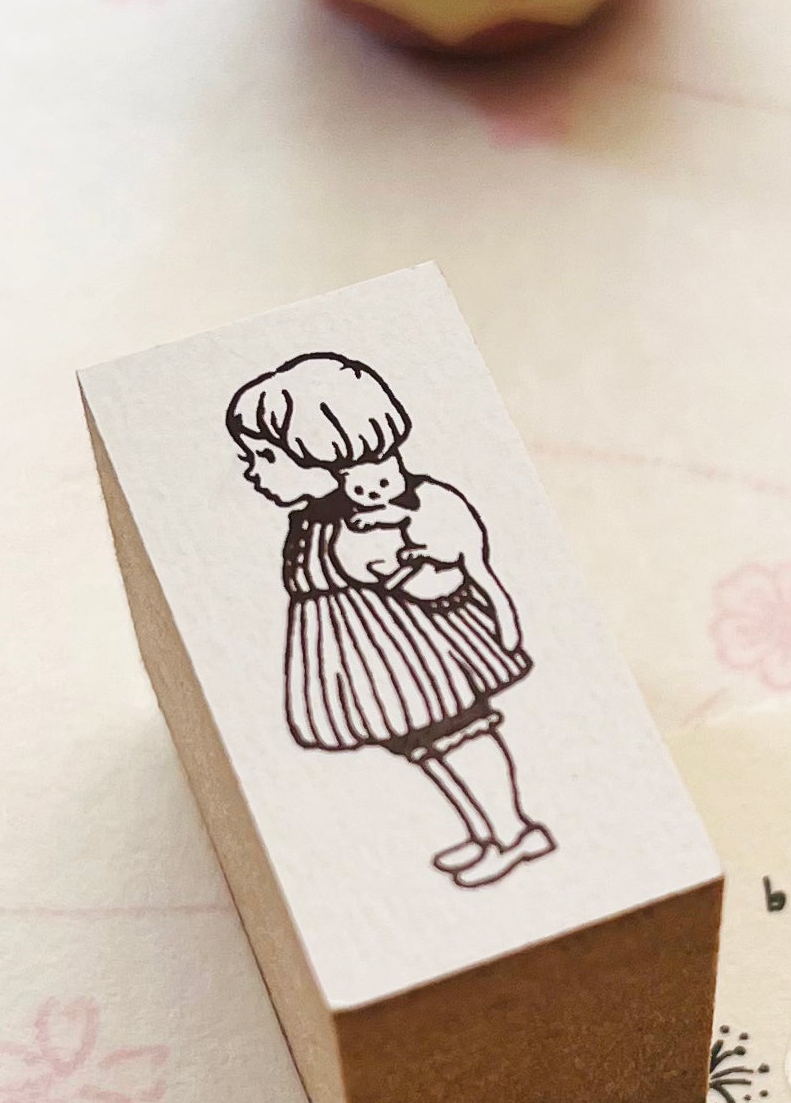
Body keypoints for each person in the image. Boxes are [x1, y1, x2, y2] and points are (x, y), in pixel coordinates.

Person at [224, 352, 553, 886]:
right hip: (372, 656)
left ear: (324, 453)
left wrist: (408, 575)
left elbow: (433, 577)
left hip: (411, 650)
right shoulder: (316, 519)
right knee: (421, 744)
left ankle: (513, 832)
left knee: (458, 733)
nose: (251, 470)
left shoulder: (370, 518)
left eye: (264, 455)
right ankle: (485, 831)